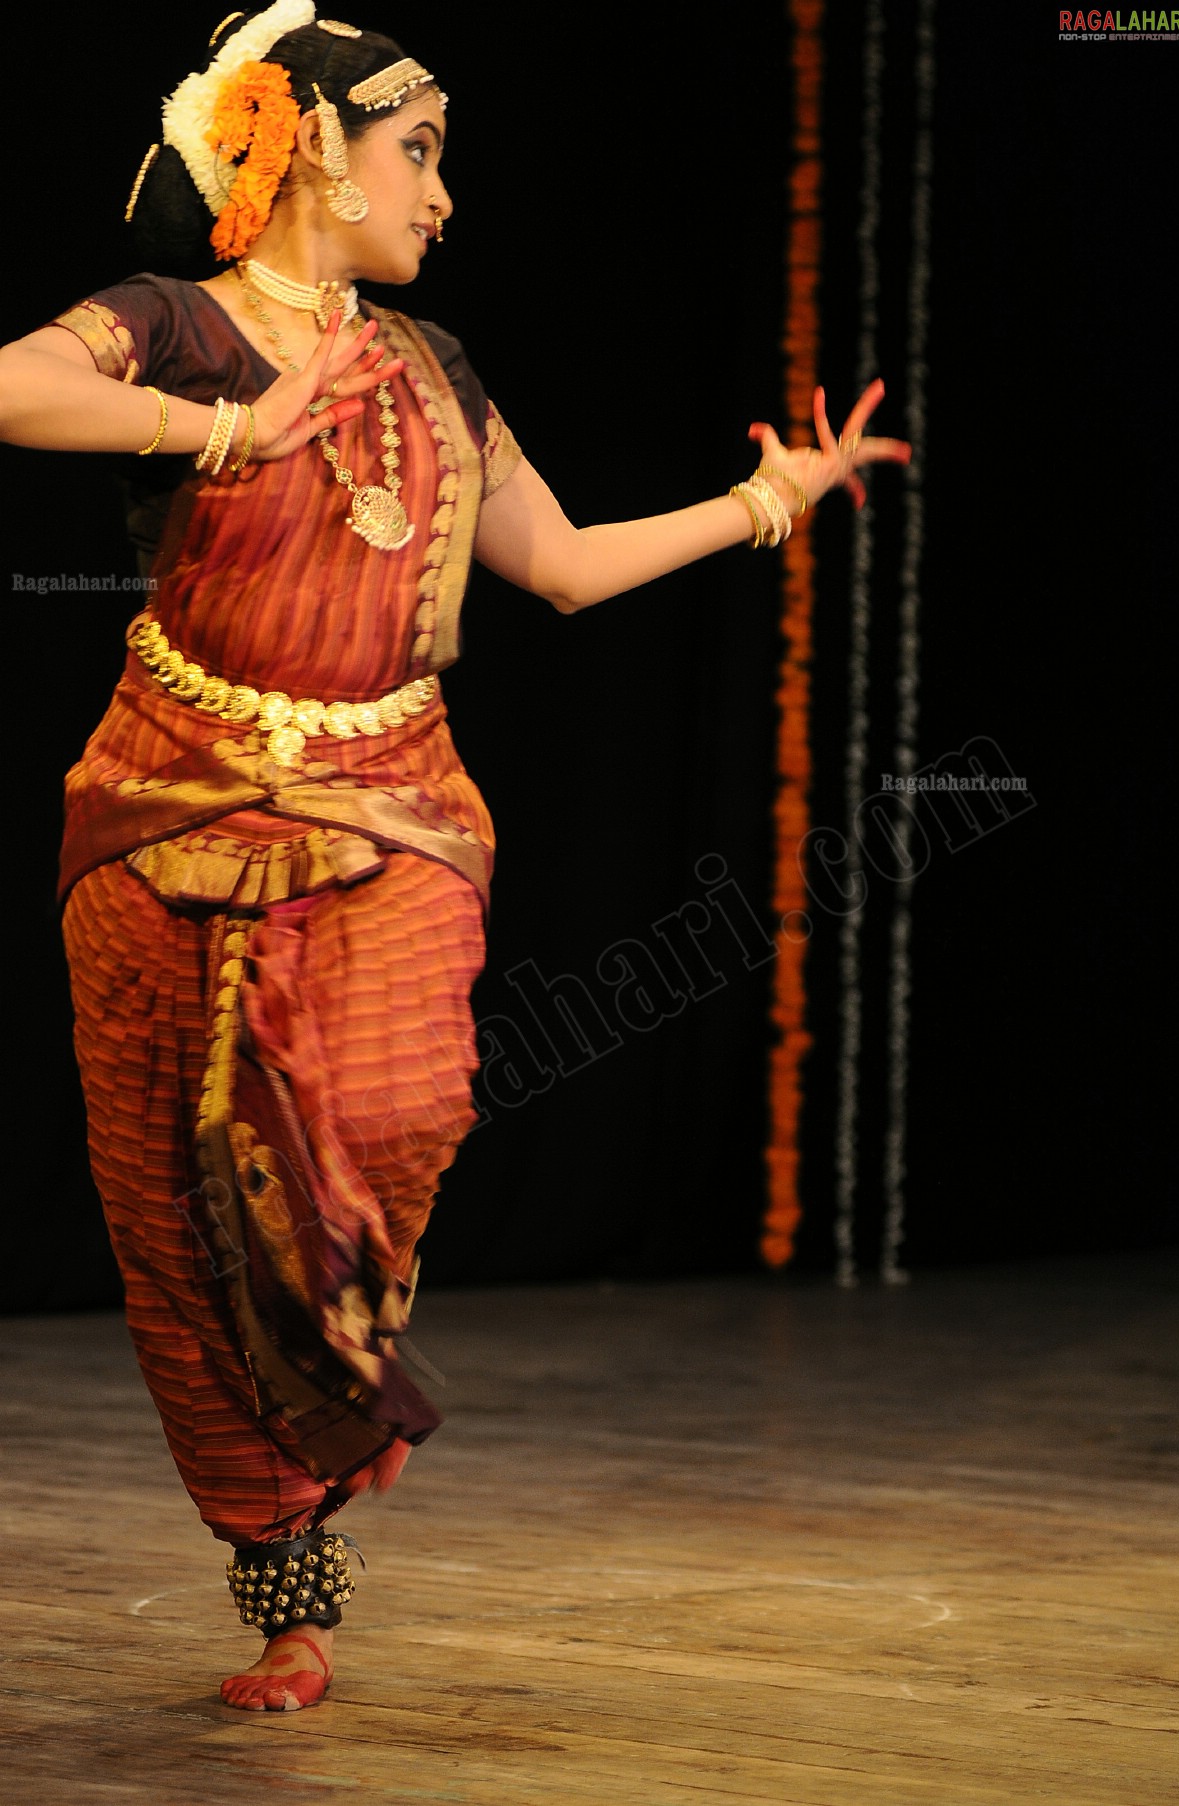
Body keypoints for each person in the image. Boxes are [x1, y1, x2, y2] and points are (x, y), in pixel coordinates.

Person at [0, 2, 909, 1714]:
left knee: (407, 1103)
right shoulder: (179, 328)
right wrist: (221, 432)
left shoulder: (431, 366)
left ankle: (345, 1369)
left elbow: (555, 563)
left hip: (397, 803)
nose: (442, 192)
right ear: (310, 152)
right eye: (416, 151)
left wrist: (768, 504)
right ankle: (289, 1584)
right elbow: (14, 383)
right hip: (174, 807)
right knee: (184, 1212)